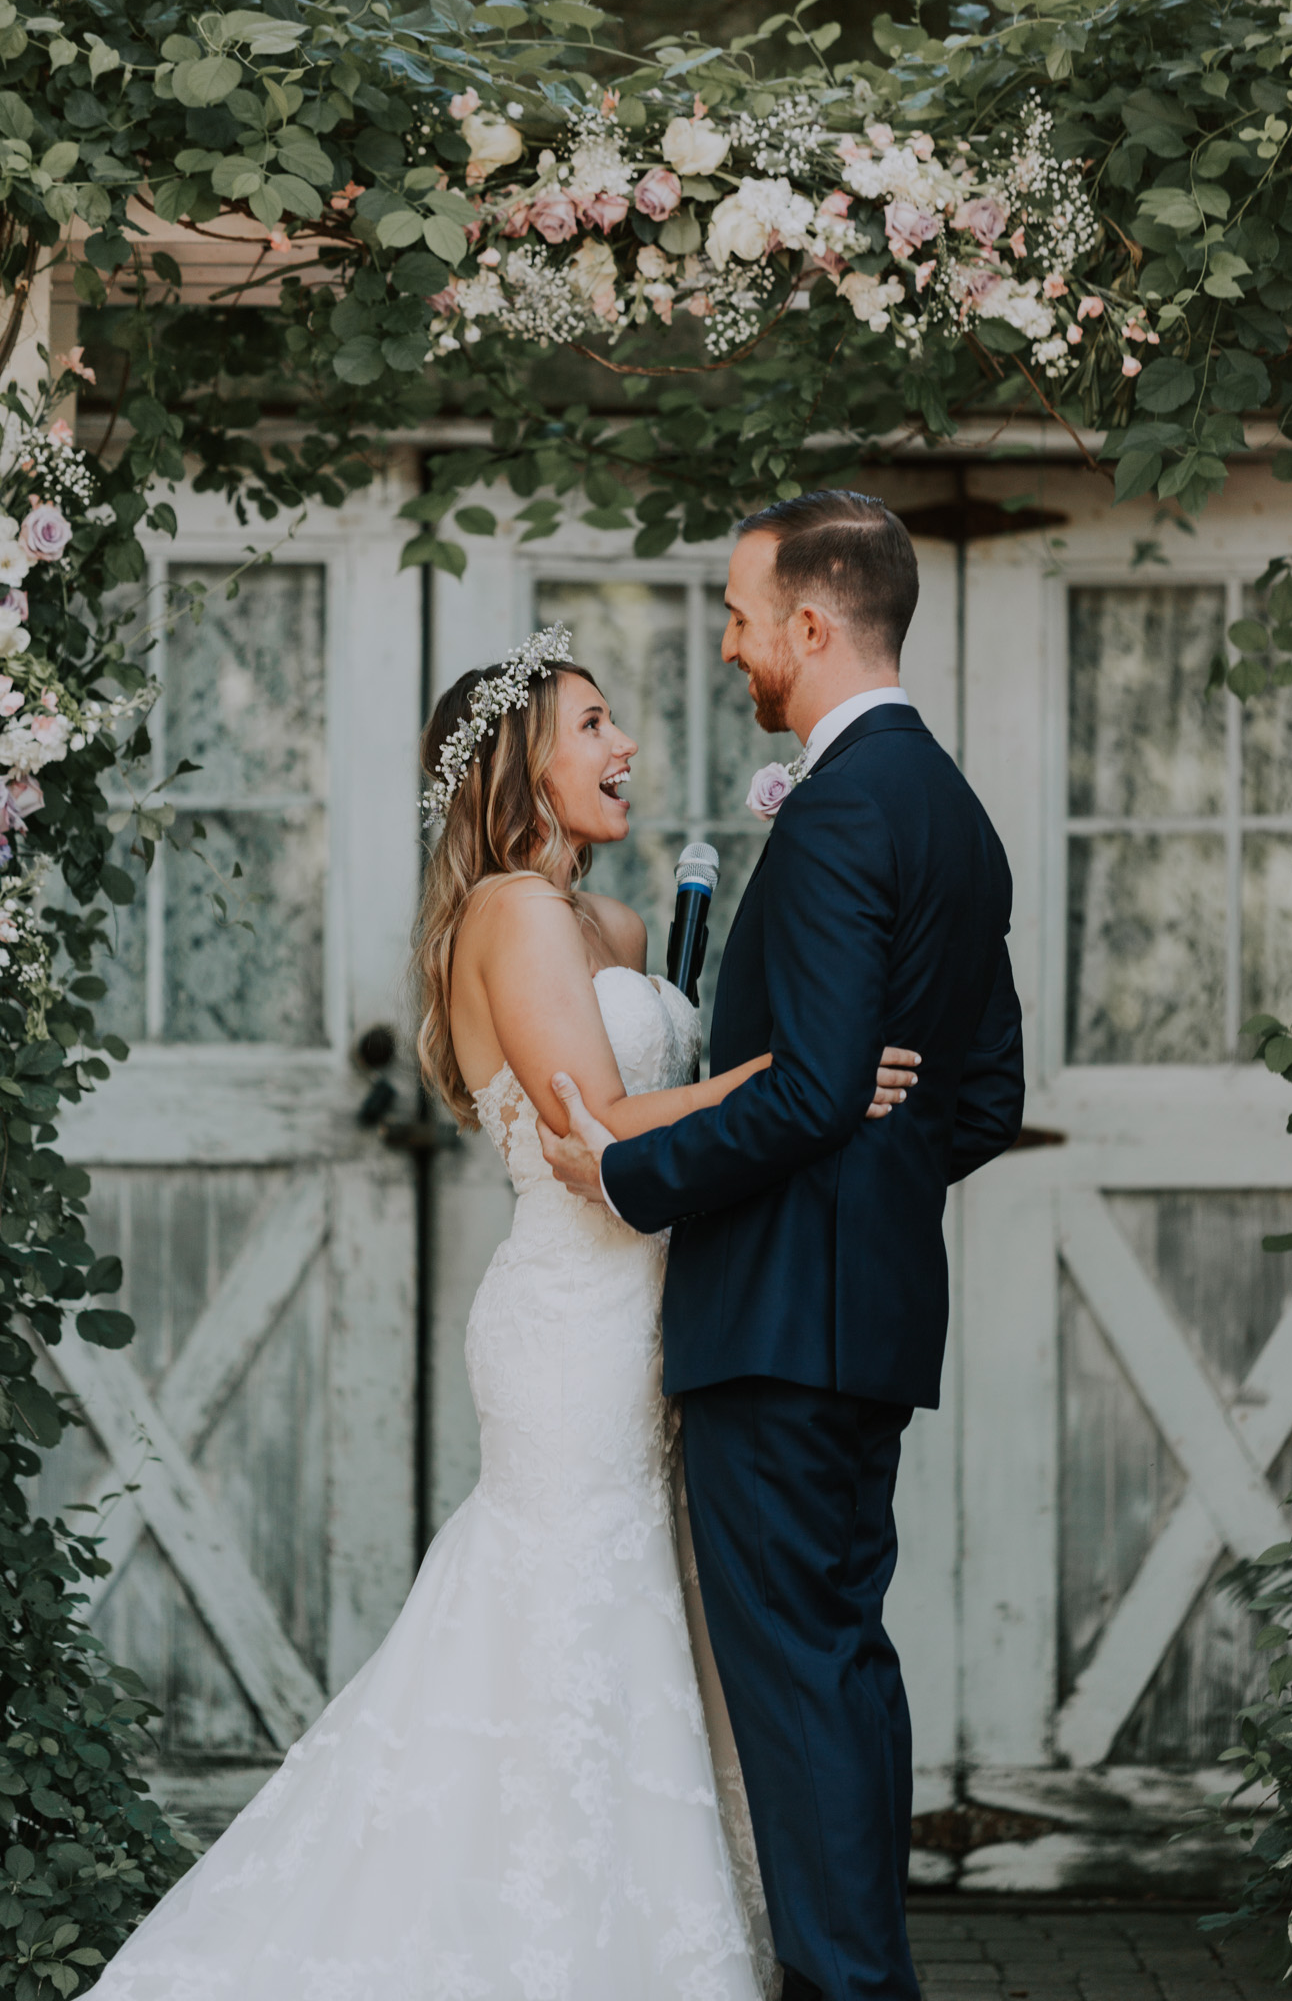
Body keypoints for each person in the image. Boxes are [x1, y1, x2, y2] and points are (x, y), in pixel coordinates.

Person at [90, 621, 916, 2001]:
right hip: (571, 1326)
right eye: (590, 725)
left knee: (669, 1616)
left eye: (614, 724)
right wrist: (803, 1077)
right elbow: (597, 1128)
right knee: (565, 1616)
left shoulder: (621, 922)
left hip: (670, 1315)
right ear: (521, 768)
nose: (624, 747)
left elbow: (672, 1123)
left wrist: (765, 1086)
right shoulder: (507, 916)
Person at [539, 490, 1026, 2001]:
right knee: (844, 1668)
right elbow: (983, 1097)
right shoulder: (949, 806)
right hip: (864, 1315)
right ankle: (864, 1971)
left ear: (812, 626)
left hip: (777, 1322)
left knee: (800, 1683)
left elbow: (815, 1087)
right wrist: (867, 1180)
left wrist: (624, 1177)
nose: (736, 645)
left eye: (746, 618)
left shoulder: (832, 813)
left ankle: (845, 1987)